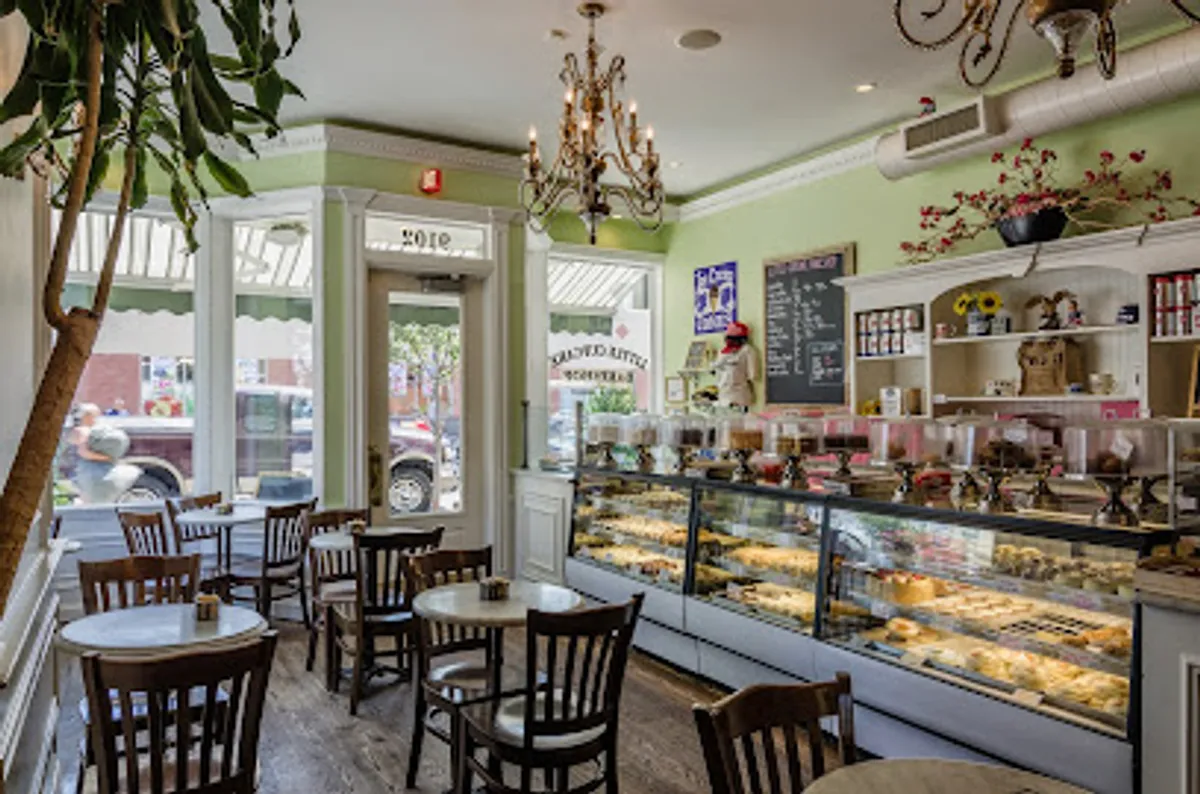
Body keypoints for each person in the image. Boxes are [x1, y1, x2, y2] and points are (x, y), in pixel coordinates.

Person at [712, 321, 759, 409]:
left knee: (732, 420)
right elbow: (752, 375)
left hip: (729, 395)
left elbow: (753, 375)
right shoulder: (747, 350)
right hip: (733, 395)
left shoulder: (723, 353)